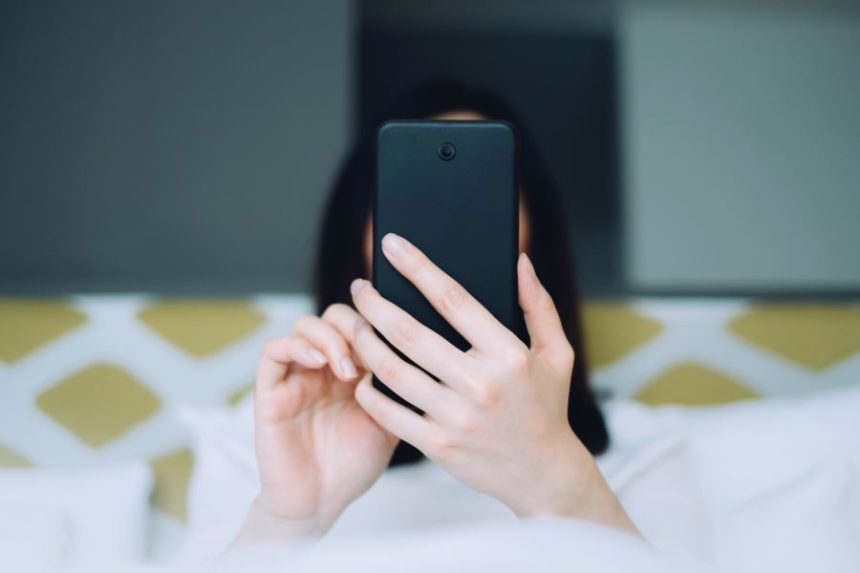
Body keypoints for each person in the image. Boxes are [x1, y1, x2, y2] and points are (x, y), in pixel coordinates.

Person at [236, 82, 638, 543]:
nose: (443, 243)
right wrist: (292, 518)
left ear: (534, 235)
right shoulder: (264, 439)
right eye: (414, 201)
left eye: (481, 197)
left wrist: (557, 480)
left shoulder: (642, 447)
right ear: (358, 237)